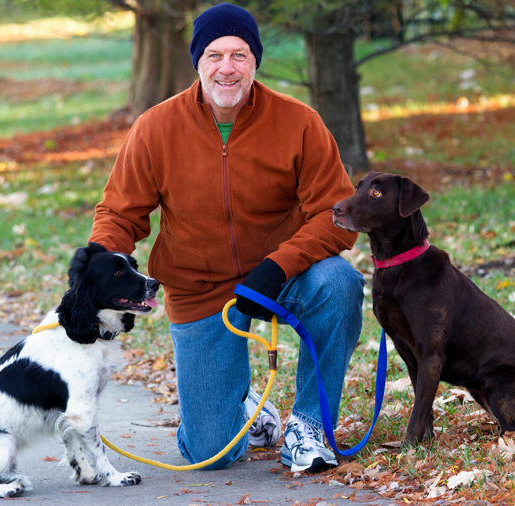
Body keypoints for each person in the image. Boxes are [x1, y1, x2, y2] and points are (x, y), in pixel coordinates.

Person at [76, 2, 363, 473]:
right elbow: (119, 211)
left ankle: (309, 425)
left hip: (281, 276)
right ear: (197, 62)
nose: (226, 68)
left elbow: (335, 214)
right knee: (211, 455)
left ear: (255, 62)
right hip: (199, 288)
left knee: (340, 283)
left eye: (239, 55)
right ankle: (248, 408)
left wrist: (279, 265)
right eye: (214, 55)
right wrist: (100, 259)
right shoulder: (156, 127)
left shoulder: (300, 122)